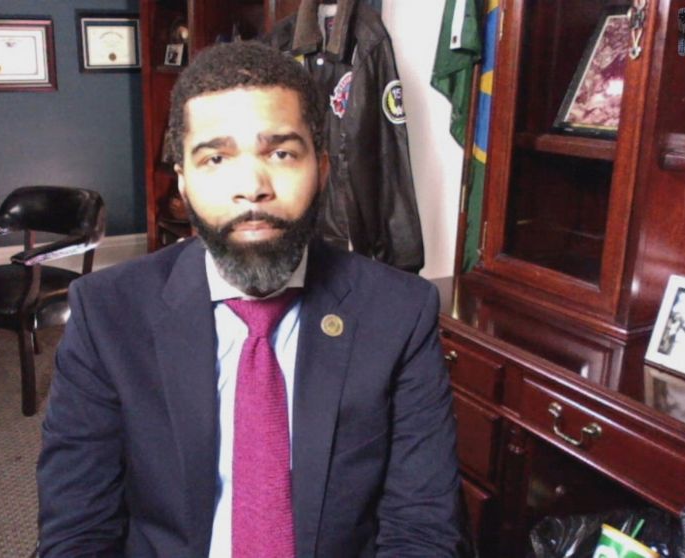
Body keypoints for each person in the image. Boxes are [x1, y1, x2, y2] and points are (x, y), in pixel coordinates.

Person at [36, 41, 462, 557]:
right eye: (216, 158)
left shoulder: (400, 314)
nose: (252, 187)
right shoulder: (106, 314)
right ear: (184, 183)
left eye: (281, 153)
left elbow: (421, 529)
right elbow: (78, 530)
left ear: (322, 169)